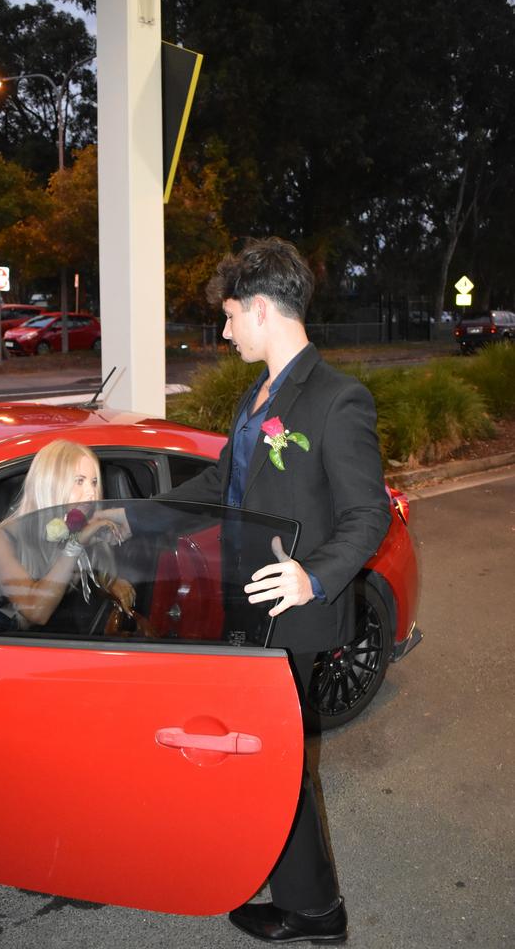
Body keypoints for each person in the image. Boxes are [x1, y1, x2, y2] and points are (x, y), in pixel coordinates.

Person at [160, 237, 392, 944]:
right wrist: (144, 509)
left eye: (230, 316)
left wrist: (312, 575)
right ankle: (284, 882)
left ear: (260, 310)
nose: (225, 331)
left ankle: (315, 910)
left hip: (292, 616)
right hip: (243, 609)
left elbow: (368, 515)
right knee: (258, 756)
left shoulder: (335, 399)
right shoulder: (256, 394)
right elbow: (226, 484)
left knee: (275, 762)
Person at [0, 439, 134, 631]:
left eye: (94, 482)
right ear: (51, 484)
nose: (91, 492)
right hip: (12, 650)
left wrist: (109, 582)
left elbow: (83, 584)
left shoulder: (85, 528)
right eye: (79, 481)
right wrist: (75, 545)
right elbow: (36, 612)